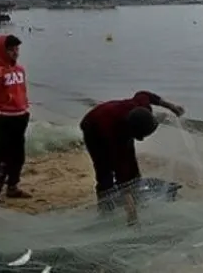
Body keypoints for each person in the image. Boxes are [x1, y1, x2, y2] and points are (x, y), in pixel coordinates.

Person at [79, 90, 185, 225]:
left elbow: (144, 94)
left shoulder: (141, 107)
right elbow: (122, 178)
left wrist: (171, 106)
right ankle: (105, 210)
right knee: (104, 171)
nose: (141, 140)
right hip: (93, 127)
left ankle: (136, 198)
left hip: (116, 119)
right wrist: (132, 215)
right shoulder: (115, 139)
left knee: (132, 168)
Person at [0, 34, 32, 203]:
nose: (15, 53)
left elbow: (23, 91)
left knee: (19, 154)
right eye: (11, 50)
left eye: (17, 49)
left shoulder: (20, 70)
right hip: (4, 117)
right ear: (2, 51)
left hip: (21, 115)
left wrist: (26, 108)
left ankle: (13, 186)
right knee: (3, 154)